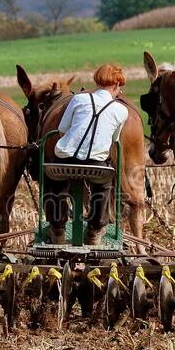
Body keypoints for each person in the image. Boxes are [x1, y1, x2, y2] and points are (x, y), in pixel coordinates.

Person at [46, 63, 129, 245]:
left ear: (98, 82)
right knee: (103, 187)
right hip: (96, 166)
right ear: (116, 85)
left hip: (65, 160)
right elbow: (114, 139)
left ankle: (57, 229)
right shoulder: (122, 111)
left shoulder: (79, 99)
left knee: (54, 183)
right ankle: (94, 230)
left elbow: (62, 129)